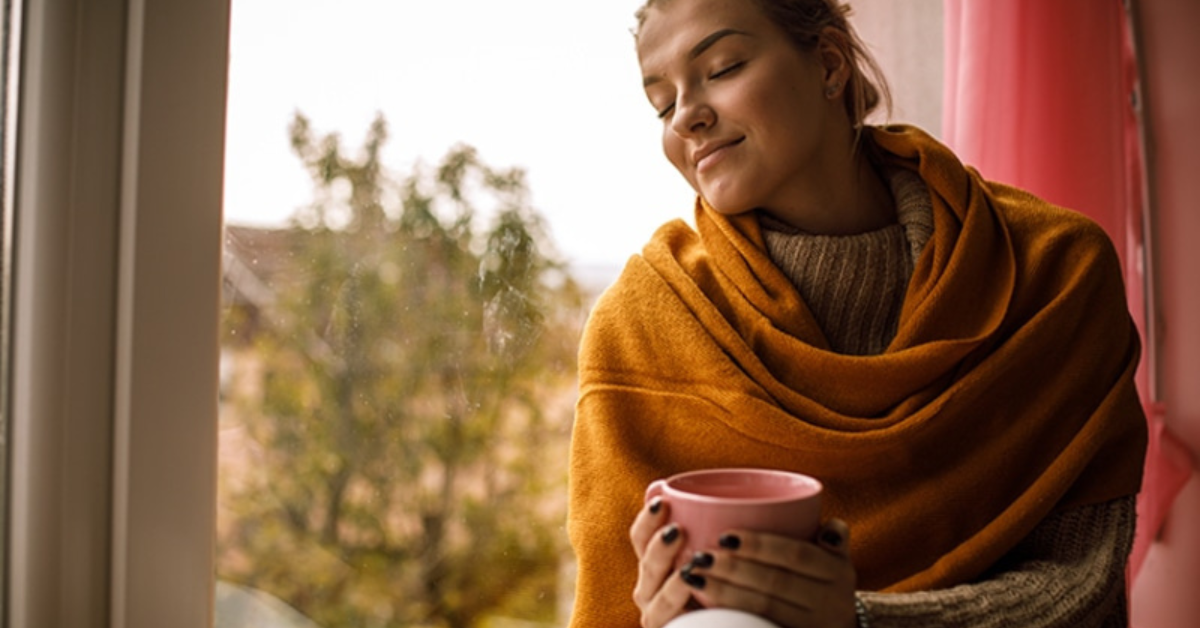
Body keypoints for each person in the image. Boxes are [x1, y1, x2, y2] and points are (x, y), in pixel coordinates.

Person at [566, 0, 1148, 627]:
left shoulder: (1056, 272)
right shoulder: (641, 325)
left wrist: (861, 621)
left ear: (830, 65)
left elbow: (1083, 584)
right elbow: (612, 606)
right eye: (661, 102)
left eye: (723, 67)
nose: (686, 117)